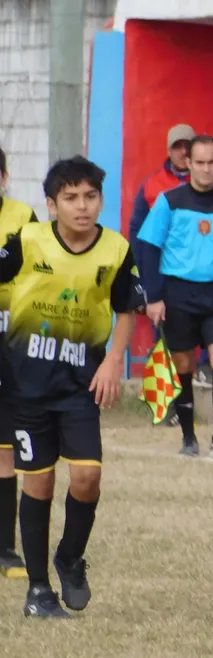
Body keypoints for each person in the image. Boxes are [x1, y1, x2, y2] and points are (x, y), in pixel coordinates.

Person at [0, 156, 143, 618]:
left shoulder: (116, 250)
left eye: (90, 197)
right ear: (52, 204)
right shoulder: (27, 240)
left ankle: (70, 557)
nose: (82, 207)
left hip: (81, 385)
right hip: (25, 387)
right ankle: (39, 591)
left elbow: (126, 308)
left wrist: (114, 362)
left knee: (87, 477)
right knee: (38, 482)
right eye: (70, 198)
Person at [138, 135, 213, 458]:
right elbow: (149, 247)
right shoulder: (169, 201)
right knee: (184, 364)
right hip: (177, 293)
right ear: (188, 164)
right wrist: (154, 297)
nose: (206, 169)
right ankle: (188, 437)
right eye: (199, 163)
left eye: (211, 162)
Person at [128, 123, 213, 429]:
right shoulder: (152, 184)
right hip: (166, 277)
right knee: (166, 340)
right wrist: (144, 278)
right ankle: (167, 404)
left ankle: (209, 401)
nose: (183, 152)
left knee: (209, 341)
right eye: (178, 147)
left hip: (205, 278)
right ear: (169, 150)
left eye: (188, 146)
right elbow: (139, 233)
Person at [0, 145, 38, 578]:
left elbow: (26, 271)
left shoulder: (22, 217)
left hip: (10, 338)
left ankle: (6, 549)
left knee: (6, 448)